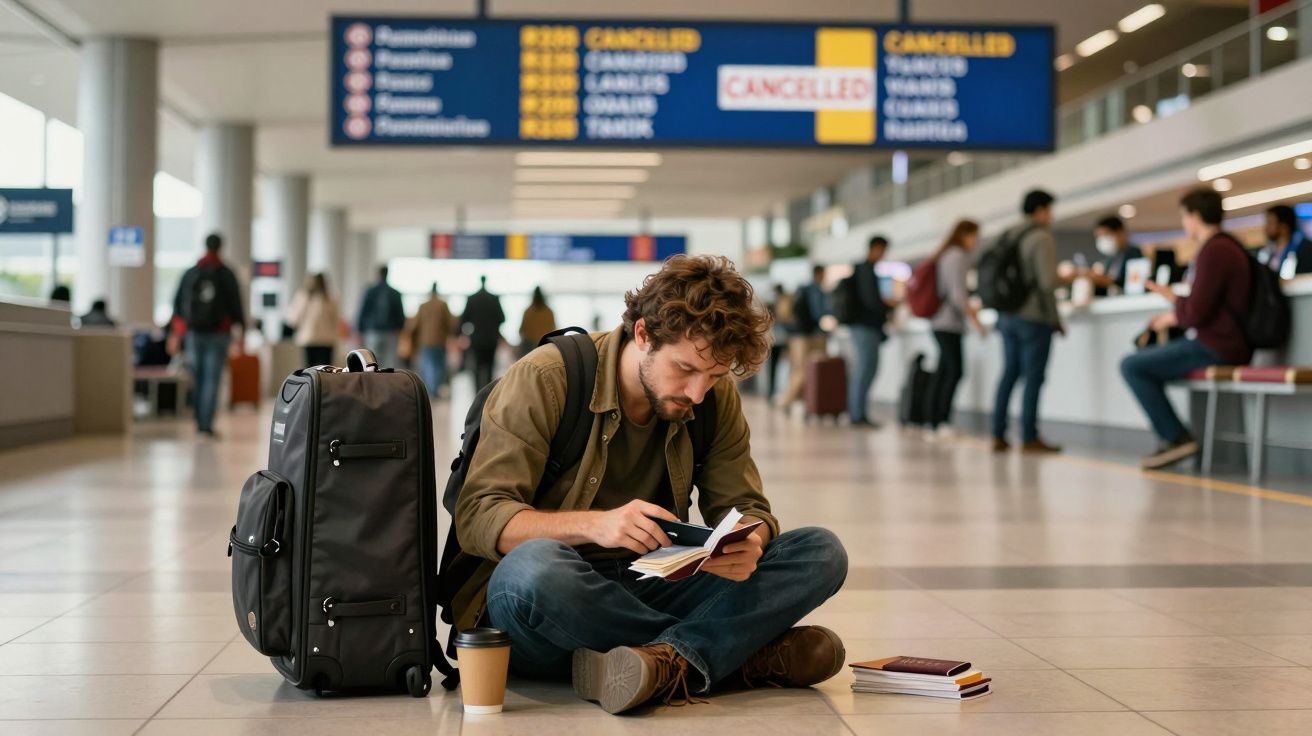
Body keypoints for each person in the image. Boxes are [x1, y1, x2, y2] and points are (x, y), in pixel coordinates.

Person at [452, 254, 848, 715]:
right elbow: (479, 516)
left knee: (820, 552)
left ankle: (666, 660)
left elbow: (744, 504)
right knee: (532, 571)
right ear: (643, 334)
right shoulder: (546, 378)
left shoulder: (712, 398)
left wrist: (750, 539)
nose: (698, 392)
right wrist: (597, 526)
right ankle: (733, 655)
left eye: (715, 375)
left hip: (652, 579)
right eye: (684, 369)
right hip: (558, 597)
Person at [1122, 188, 1253, 470]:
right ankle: (1174, 436)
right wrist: (1175, 305)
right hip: (1219, 341)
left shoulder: (1215, 250)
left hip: (1217, 345)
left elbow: (1195, 313)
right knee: (1141, 362)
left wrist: (1172, 311)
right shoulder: (1224, 246)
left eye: (1184, 217)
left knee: (1132, 366)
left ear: (1194, 216)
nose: (1184, 224)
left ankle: (1176, 437)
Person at [991, 189, 1064, 454]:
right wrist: (1055, 319)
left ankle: (997, 433)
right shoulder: (1041, 237)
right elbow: (1047, 283)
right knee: (1033, 378)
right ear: (1041, 210)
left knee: (1009, 373)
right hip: (1033, 317)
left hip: (1006, 315)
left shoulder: (1007, 234)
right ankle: (1029, 436)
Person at [168, 233, 245, 437]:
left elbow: (177, 304)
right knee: (212, 379)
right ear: (221, 247)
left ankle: (198, 420)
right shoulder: (227, 274)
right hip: (219, 335)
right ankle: (206, 425)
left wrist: (175, 333)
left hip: (194, 334)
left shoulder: (192, 272)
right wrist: (241, 331)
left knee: (198, 377)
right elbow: (237, 306)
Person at [925, 220, 985, 436]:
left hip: (940, 321)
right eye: (975, 236)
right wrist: (976, 321)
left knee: (944, 371)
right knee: (954, 371)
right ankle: (940, 421)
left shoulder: (945, 255)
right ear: (965, 234)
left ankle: (935, 422)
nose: (976, 241)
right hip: (947, 322)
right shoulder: (957, 256)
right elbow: (958, 295)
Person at [847, 236, 893, 427]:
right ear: (874, 248)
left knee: (865, 369)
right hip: (865, 326)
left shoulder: (864, 270)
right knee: (866, 369)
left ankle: (858, 413)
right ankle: (857, 414)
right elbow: (871, 301)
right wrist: (888, 306)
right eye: (882, 250)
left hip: (863, 326)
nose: (883, 255)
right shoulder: (866, 270)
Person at [778, 265, 830, 408]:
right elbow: (817, 312)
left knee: (799, 369)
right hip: (807, 335)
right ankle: (787, 401)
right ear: (820, 274)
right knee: (803, 370)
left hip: (797, 335)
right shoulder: (815, 290)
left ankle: (791, 401)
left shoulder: (802, 289)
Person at [459, 275, 506, 391]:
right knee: (490, 367)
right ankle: (488, 392)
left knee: (477, 367)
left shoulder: (472, 299)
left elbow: (464, 319)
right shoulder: (494, 299)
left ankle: (478, 392)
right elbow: (502, 318)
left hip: (477, 339)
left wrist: (461, 334)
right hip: (491, 339)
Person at [356, 265, 406, 369]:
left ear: (378, 274)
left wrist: (359, 329)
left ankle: (374, 383)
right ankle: (387, 383)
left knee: (372, 361)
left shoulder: (370, 291)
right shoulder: (395, 293)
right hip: (391, 332)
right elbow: (400, 314)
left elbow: (363, 311)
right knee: (389, 361)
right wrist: (400, 328)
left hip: (373, 331)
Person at [287, 273, 341, 367]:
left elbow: (294, 320)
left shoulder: (303, 297)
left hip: (310, 339)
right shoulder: (330, 298)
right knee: (327, 370)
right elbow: (336, 321)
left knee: (309, 370)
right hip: (326, 340)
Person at [413, 282, 456, 398]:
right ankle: (434, 390)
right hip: (439, 341)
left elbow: (415, 324)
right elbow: (450, 323)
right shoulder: (443, 305)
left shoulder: (423, 306)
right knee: (438, 366)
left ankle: (429, 390)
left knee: (427, 365)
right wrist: (451, 334)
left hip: (425, 341)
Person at [1086, 215, 1144, 296]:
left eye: (1106, 235)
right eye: (1099, 237)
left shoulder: (1133, 253)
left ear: (1119, 232)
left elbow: (1135, 284)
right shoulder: (1110, 258)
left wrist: (1107, 281)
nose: (1102, 240)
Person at [1258, 204, 1310, 278]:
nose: (1266, 228)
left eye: (1270, 223)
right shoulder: (1267, 252)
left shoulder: (1305, 248)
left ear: (1284, 226)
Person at [766, 284, 792, 400]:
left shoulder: (771, 305)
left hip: (774, 340)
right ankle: (773, 391)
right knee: (781, 366)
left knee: (774, 367)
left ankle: (772, 391)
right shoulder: (784, 304)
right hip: (781, 339)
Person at [518, 286, 557, 357]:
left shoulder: (528, 311)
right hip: (544, 345)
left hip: (529, 346)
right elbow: (553, 329)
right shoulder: (548, 311)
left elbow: (521, 330)